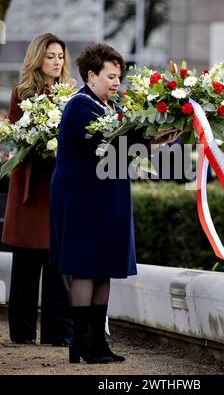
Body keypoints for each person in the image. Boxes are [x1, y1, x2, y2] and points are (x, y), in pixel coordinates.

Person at [50, 43, 181, 364]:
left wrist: (157, 138)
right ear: (91, 76)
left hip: (106, 195)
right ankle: (82, 342)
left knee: (104, 266)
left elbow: (123, 143)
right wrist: (149, 137)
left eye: (118, 77)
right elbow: (109, 138)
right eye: (110, 76)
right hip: (83, 197)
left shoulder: (106, 105)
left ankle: (96, 342)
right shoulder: (80, 105)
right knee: (85, 265)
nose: (116, 83)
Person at [1, 33, 75, 345]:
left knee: (56, 261)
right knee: (26, 263)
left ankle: (58, 334)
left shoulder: (71, 93)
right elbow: (19, 137)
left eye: (60, 56)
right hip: (31, 185)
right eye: (50, 56)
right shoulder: (22, 92)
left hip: (58, 185)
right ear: (38, 59)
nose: (57, 62)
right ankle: (21, 333)